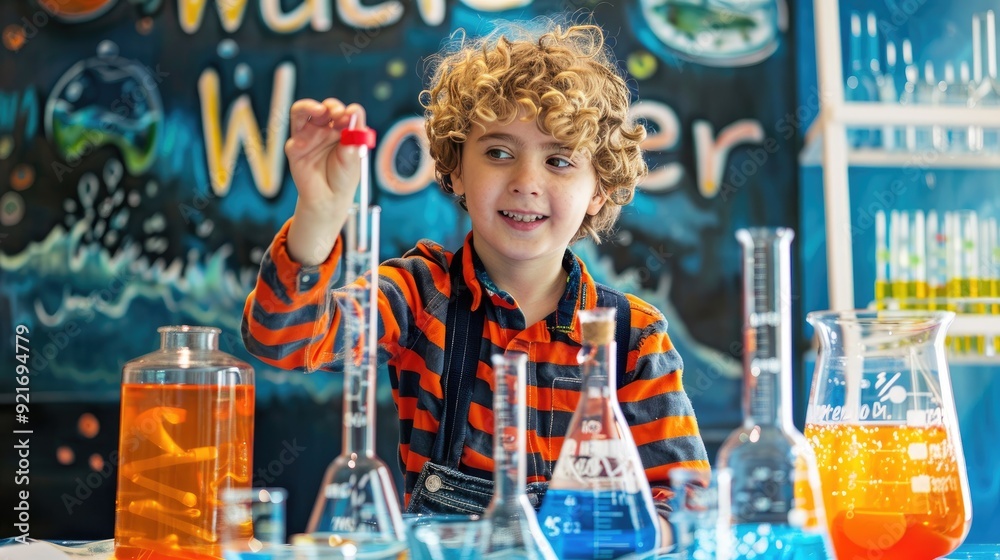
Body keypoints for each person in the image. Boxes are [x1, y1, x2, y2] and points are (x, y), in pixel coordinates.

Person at [242, 20, 710, 542]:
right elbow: (282, 339)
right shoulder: (420, 295)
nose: (526, 183)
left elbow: (687, 507)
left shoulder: (631, 336)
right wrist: (320, 215)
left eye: (558, 160)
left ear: (598, 190)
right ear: (456, 168)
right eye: (498, 153)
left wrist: (605, 534)